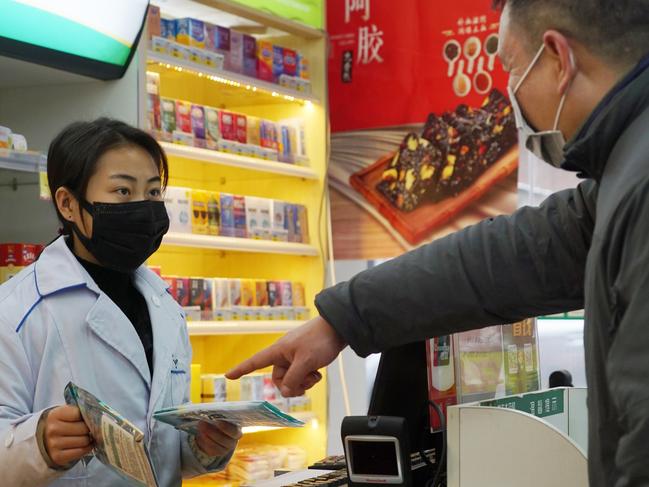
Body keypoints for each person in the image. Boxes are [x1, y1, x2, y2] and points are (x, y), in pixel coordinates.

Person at [227, 1, 649, 485]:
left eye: (511, 68)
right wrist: (342, 319)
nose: (510, 91)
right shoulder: (624, 170)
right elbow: (514, 256)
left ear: (558, 58)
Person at [0, 119, 240, 486]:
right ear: (67, 203)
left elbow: (160, 452)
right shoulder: (15, 310)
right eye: (123, 192)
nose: (143, 207)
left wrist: (203, 446)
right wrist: (39, 444)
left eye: (154, 193)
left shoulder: (165, 307)